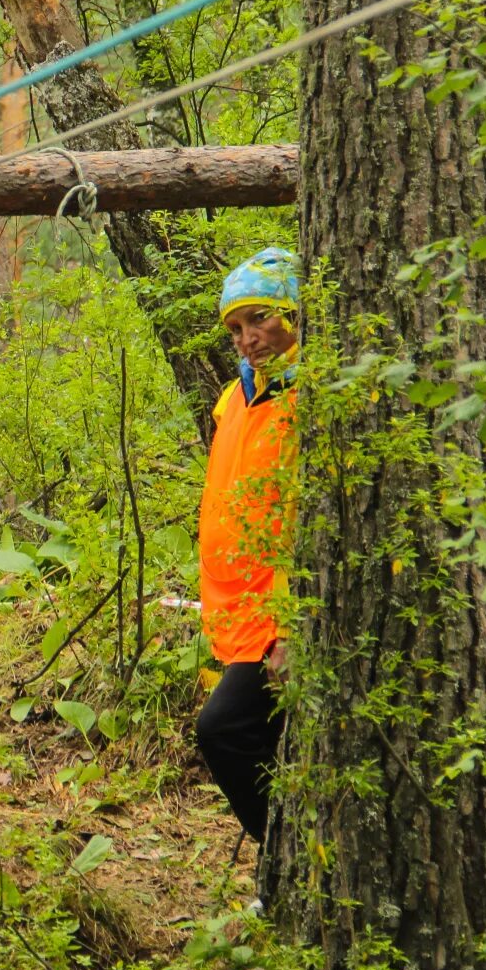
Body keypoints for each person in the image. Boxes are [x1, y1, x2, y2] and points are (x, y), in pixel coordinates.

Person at [194, 246, 298, 865]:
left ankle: (283, 861)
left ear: (291, 311)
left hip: (277, 622)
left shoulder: (312, 396)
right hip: (235, 617)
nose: (247, 338)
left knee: (223, 729)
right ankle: (290, 876)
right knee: (278, 746)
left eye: (258, 319)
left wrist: (294, 628)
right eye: (236, 328)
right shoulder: (235, 398)